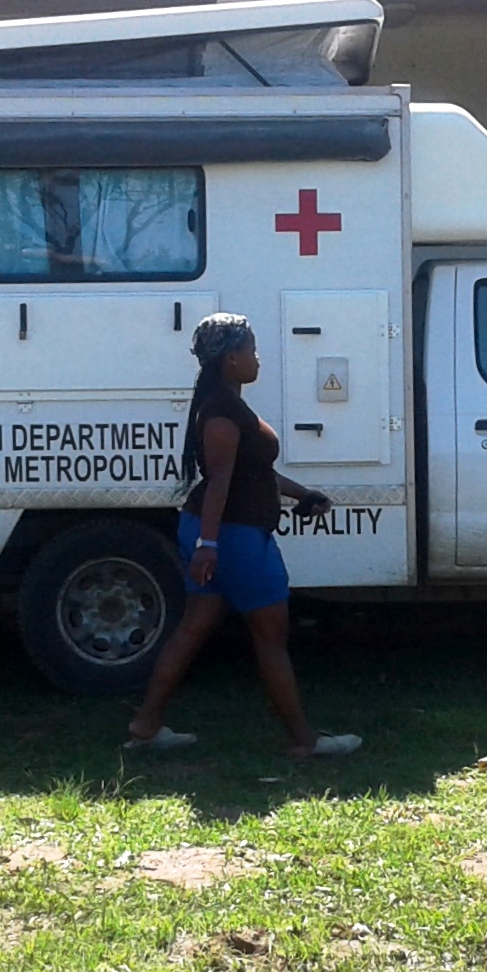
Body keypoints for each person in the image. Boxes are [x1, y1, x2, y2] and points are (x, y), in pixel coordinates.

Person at [125, 313, 361, 758]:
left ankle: (146, 725)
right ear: (231, 359)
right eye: (251, 351)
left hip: (223, 533)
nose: (257, 359)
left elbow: (254, 473)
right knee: (271, 635)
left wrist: (301, 494)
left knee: (193, 629)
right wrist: (208, 546)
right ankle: (304, 741)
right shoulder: (221, 411)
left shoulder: (224, 403)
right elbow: (220, 482)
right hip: (233, 538)